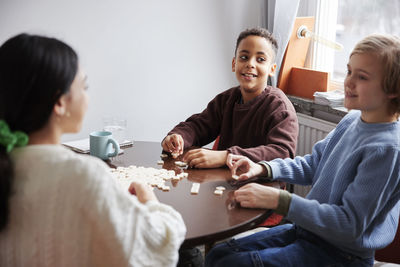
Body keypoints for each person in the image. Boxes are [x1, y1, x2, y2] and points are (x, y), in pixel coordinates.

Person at [205, 33, 400, 267]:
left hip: (341, 255)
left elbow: (349, 225)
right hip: (307, 233)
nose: (349, 82)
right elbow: (313, 165)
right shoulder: (352, 120)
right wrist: (262, 168)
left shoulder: (387, 150)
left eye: (362, 77)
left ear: (393, 89)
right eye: (349, 72)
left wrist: (280, 200)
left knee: (231, 264)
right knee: (218, 255)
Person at [0, 33, 186, 267]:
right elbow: (161, 242)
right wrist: (150, 199)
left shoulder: (9, 164)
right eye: (84, 86)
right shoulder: (84, 175)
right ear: (60, 102)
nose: (87, 97)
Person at [162, 27, 298, 169]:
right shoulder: (227, 100)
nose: (250, 64)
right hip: (226, 181)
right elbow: (198, 126)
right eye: (244, 57)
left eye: (261, 59)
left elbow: (283, 153)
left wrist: (226, 156)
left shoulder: (279, 108)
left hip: (262, 187)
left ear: (272, 69)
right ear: (234, 64)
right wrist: (178, 136)